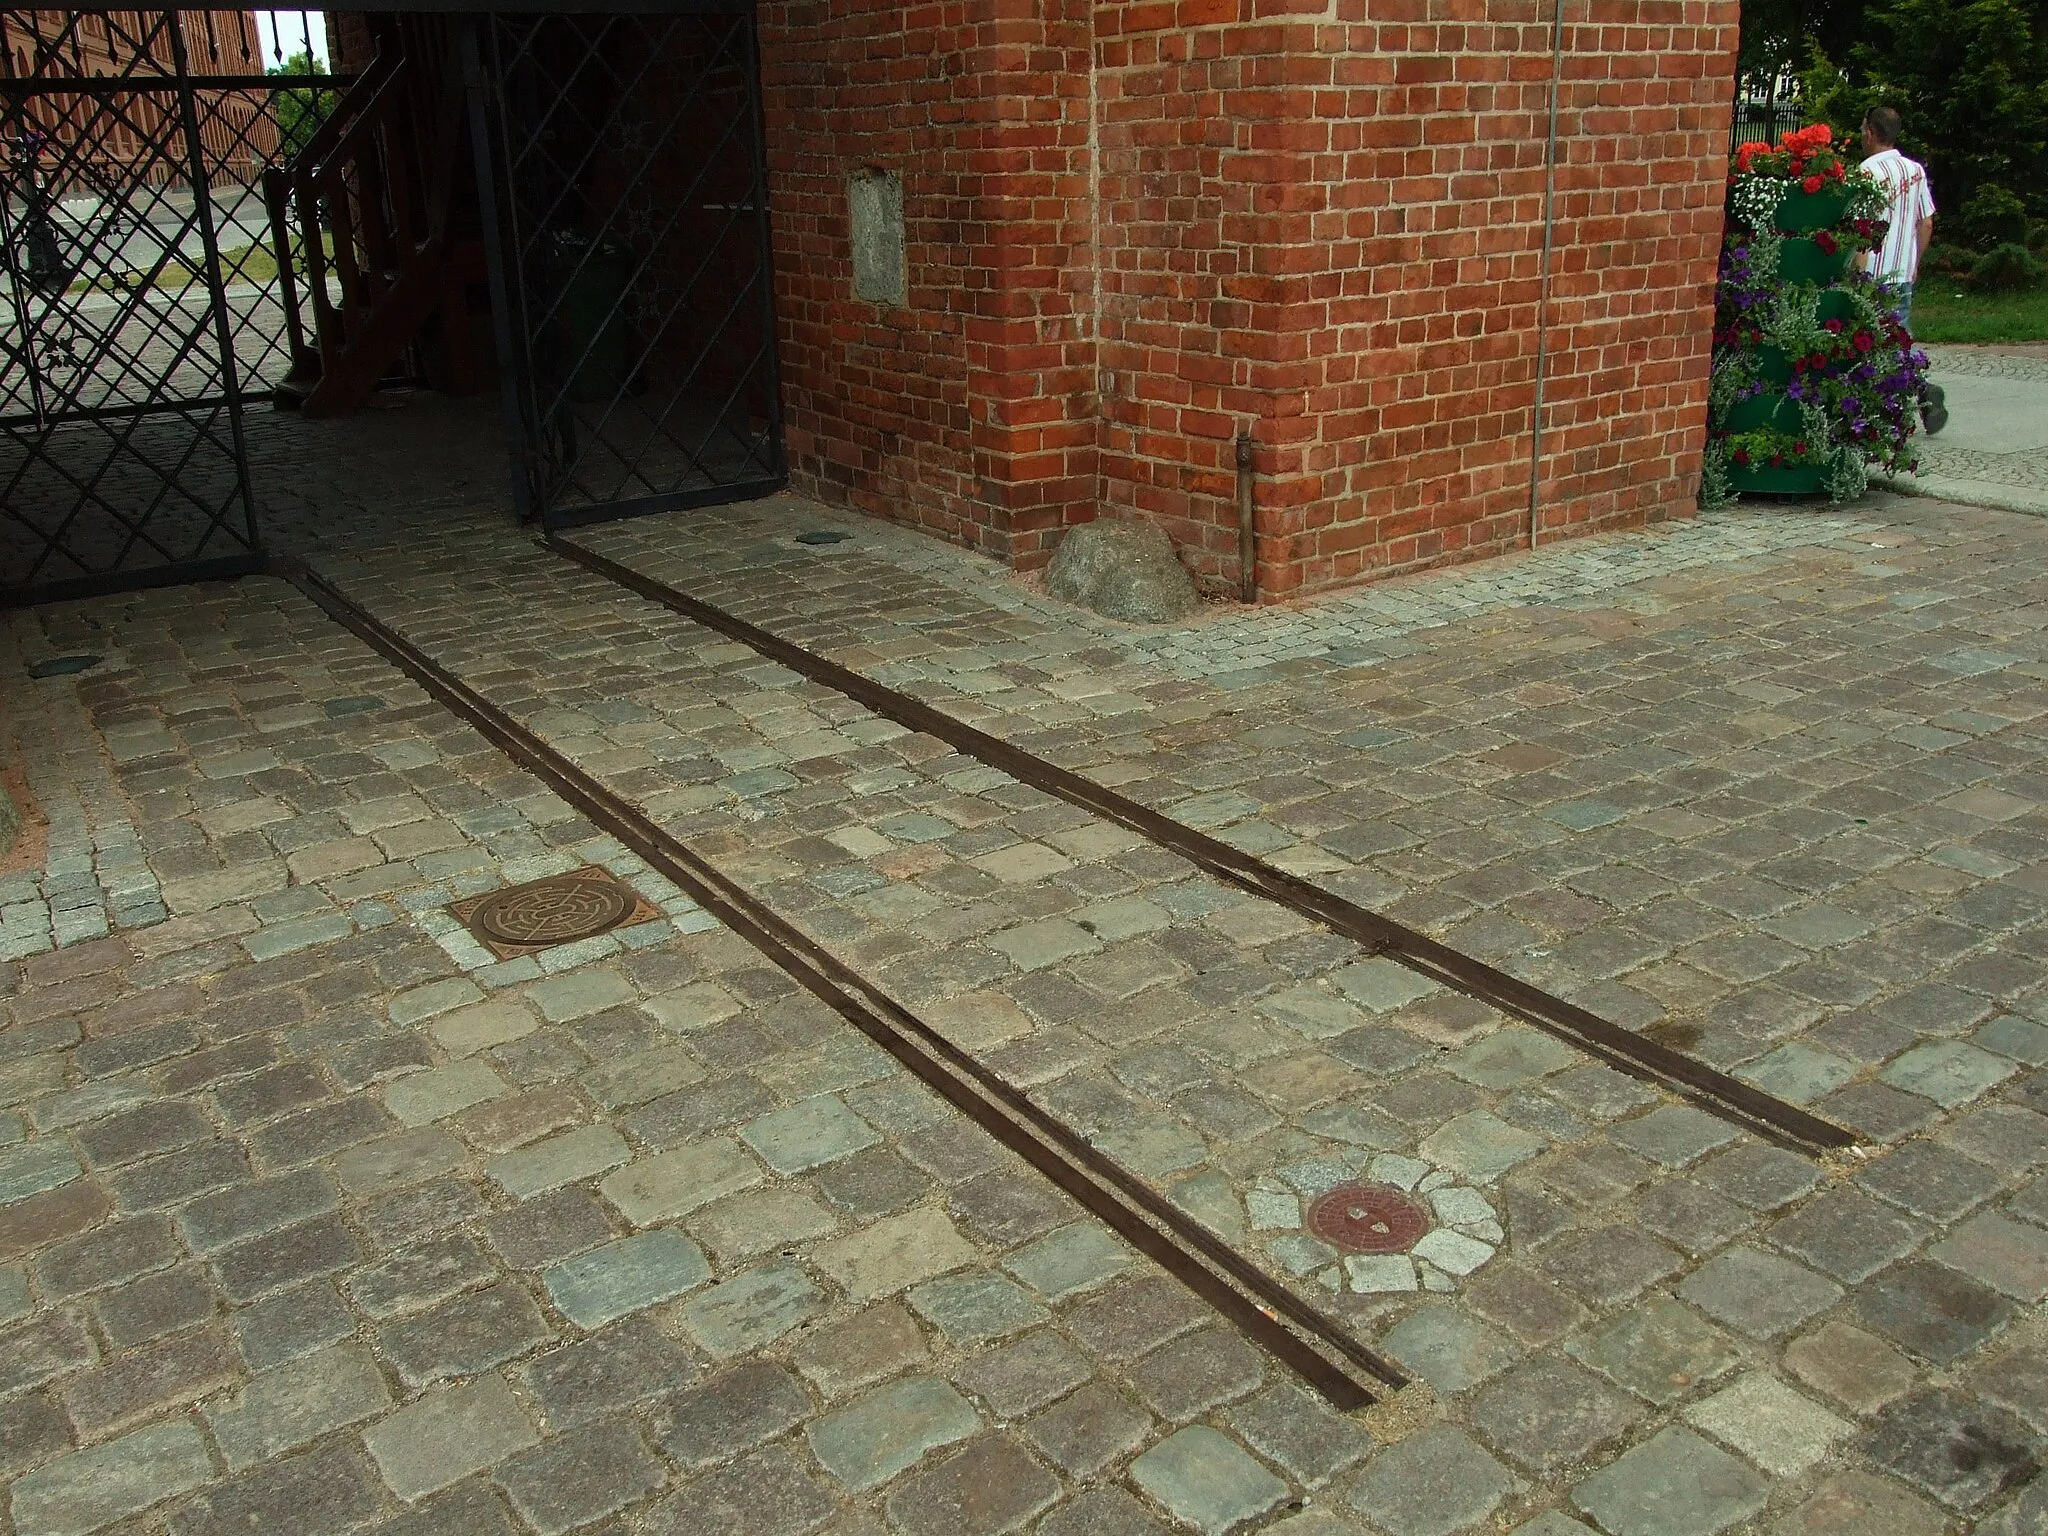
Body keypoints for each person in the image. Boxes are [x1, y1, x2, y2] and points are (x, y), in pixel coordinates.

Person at [1858, 106, 1945, 431]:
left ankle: (1895, 404)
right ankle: (1920, 393)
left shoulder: (1866, 172)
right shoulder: (1915, 171)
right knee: (1899, 337)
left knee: (1870, 342)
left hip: (1874, 271)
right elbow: (1926, 222)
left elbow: (1862, 227)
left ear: (1870, 132)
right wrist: (1915, 262)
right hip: (1901, 269)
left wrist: (1856, 270)